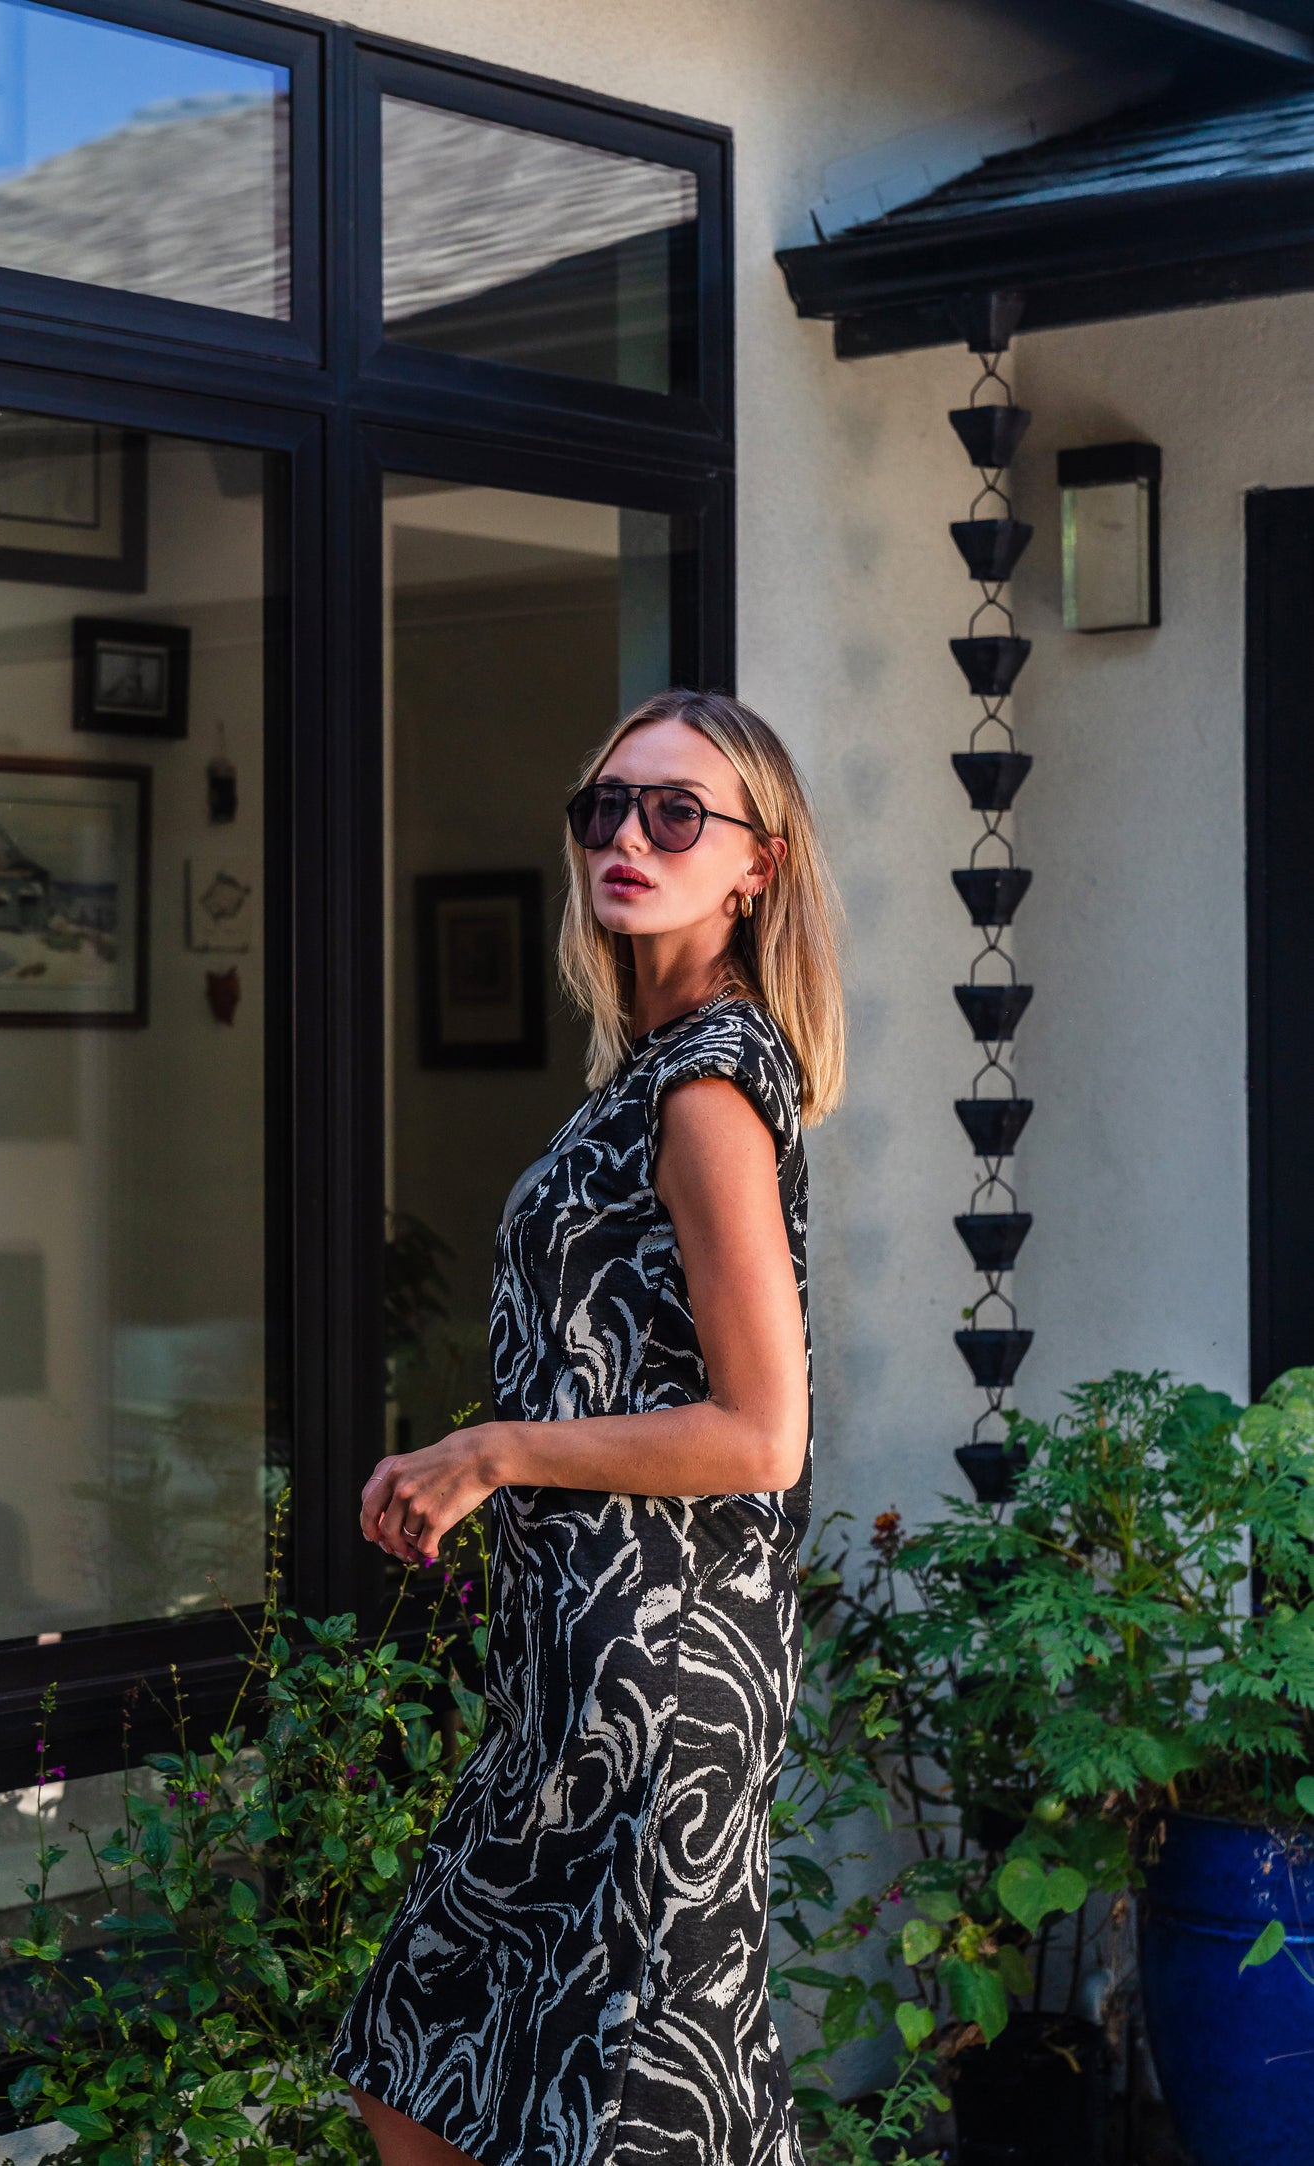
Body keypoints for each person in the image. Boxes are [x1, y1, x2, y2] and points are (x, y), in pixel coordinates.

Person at [333, 687, 847, 2166]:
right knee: (425, 2057)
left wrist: (491, 1449)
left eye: (674, 811)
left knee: (624, 2112)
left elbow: (762, 1434)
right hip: (574, 1663)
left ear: (754, 862)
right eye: (605, 807)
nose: (627, 834)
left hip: (662, 1665)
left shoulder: (705, 1088)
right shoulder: (651, 1067)